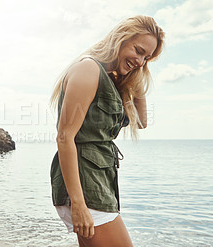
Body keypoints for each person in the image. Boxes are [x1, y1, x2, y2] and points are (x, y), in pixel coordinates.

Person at [50, 15, 165, 246]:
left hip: (98, 182)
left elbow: (141, 122)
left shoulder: (114, 81)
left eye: (147, 57)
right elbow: (64, 138)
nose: (141, 60)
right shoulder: (88, 70)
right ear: (120, 39)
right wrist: (79, 204)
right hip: (84, 185)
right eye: (138, 50)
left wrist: (137, 76)